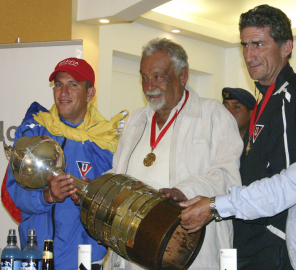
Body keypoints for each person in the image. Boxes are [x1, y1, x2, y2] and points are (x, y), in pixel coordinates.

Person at [105, 38, 243, 270]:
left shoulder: (213, 115)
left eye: (158, 76)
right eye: (144, 77)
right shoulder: (135, 120)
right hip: (134, 251)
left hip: (187, 252)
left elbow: (228, 178)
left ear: (183, 76)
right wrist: (98, 189)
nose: (149, 86)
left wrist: (185, 191)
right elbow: (119, 174)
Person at [180, 5, 296, 270]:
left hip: (273, 248)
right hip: (248, 243)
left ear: (286, 47)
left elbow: (288, 186)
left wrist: (215, 207)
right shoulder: (265, 97)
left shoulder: (289, 99)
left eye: (258, 44)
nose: (249, 55)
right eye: (244, 45)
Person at [5, 57, 128, 270]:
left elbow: (118, 209)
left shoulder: (106, 144)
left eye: (73, 85)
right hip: (34, 255)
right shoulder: (34, 131)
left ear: (89, 93)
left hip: (83, 259)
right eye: (59, 84)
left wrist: (88, 198)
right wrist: (47, 196)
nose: (63, 93)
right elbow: (14, 192)